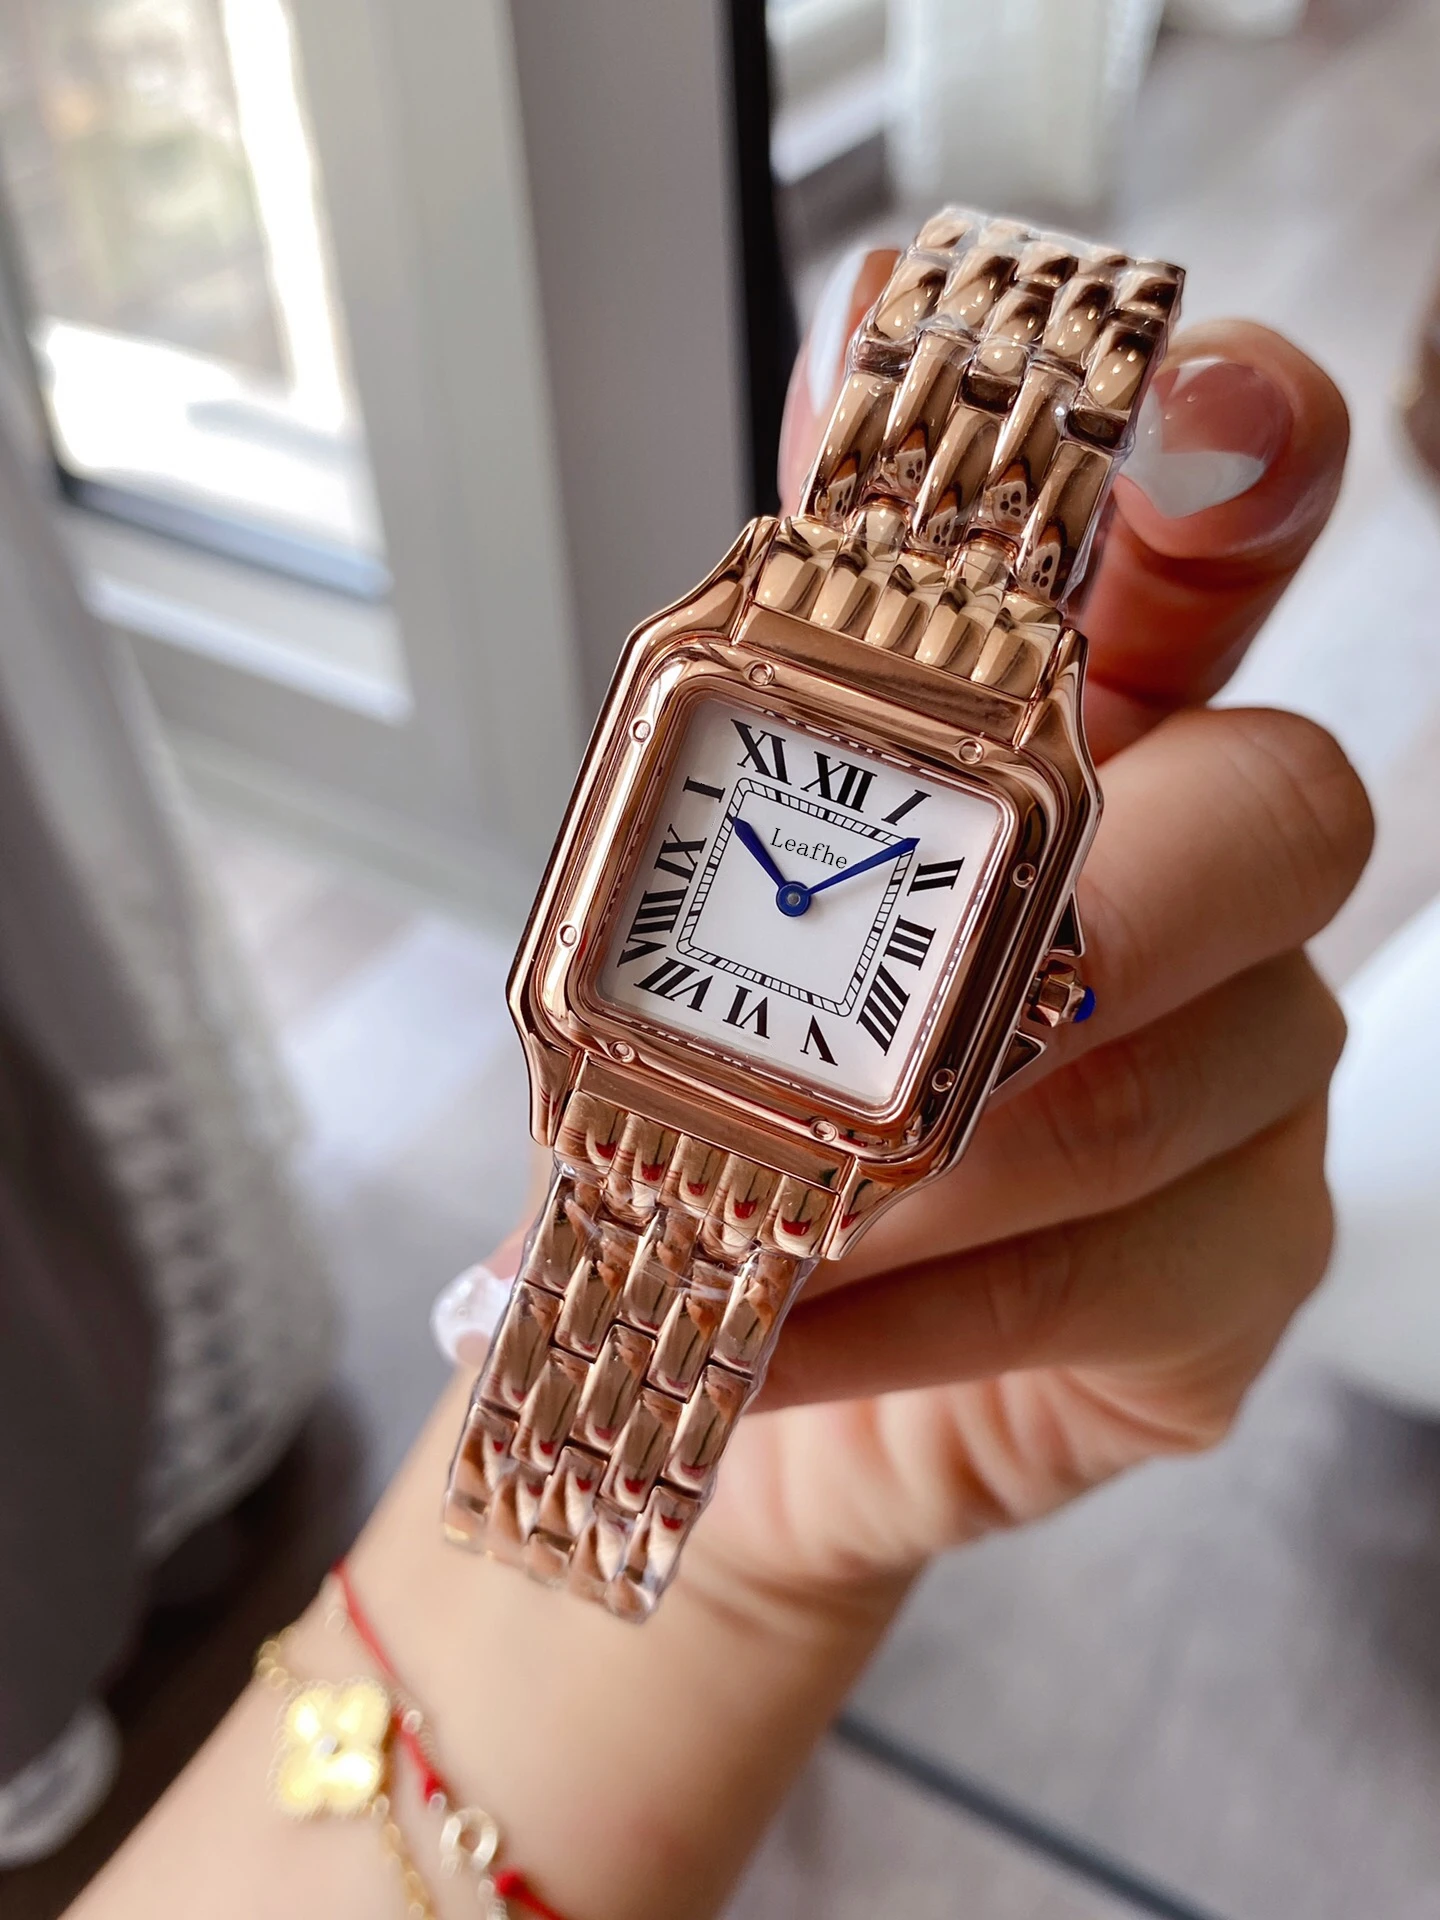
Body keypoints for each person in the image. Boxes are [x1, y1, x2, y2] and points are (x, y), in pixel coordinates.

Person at [61, 256, 1369, 1920]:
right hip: (631, 1099)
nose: (797, 895)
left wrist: (741, 1576)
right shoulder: (704, 673)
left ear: (1031, 989)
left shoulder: (889, 757)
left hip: (779, 1190)